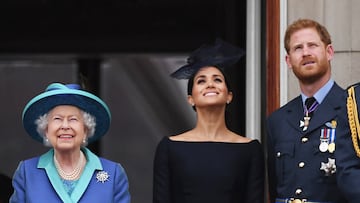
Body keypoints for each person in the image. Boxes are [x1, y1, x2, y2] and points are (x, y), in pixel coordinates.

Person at [153, 38, 265, 203]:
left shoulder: (250, 149)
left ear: (229, 96)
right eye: (201, 81)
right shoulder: (169, 148)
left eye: (217, 79)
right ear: (191, 99)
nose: (210, 84)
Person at [266, 18, 350, 202]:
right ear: (288, 61)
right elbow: (275, 187)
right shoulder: (277, 121)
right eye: (298, 48)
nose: (305, 53)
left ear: (329, 52)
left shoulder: (353, 110)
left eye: (312, 45)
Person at [10, 83, 131, 203]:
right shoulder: (27, 172)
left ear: (85, 130)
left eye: (73, 119)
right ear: (46, 130)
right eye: (57, 119)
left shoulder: (113, 173)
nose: (65, 126)